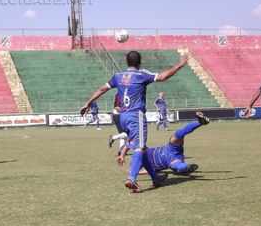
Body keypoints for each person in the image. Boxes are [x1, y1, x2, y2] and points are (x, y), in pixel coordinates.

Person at [80, 50, 188, 192]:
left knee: (142, 148)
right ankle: (131, 178)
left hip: (123, 117)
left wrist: (88, 103)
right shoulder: (141, 75)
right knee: (140, 148)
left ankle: (155, 178)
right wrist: (180, 64)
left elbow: (102, 89)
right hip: (136, 116)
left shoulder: (118, 76)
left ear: (127, 62)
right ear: (139, 62)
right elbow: (163, 77)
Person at [118, 112, 209, 174]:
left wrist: (122, 155)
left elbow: (128, 145)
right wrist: (134, 170)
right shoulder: (145, 165)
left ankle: (200, 122)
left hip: (169, 149)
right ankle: (186, 167)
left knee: (176, 136)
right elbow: (140, 171)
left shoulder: (141, 150)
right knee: (176, 166)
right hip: (170, 161)